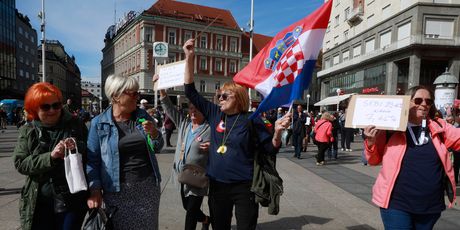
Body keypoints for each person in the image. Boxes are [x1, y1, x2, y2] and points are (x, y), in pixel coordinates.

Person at [182, 38, 291, 230]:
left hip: (244, 186)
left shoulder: (251, 119)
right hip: (217, 184)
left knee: (246, 226)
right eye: (219, 96)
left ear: (238, 98)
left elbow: (269, 149)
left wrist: (276, 133)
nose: (220, 99)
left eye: (225, 96)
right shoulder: (215, 113)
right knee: (220, 227)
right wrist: (189, 58)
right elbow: (190, 92)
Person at [363, 85, 460, 229]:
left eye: (428, 101)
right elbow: (373, 160)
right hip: (396, 204)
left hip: (430, 206)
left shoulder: (439, 127)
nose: (424, 104)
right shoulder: (390, 128)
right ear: (406, 102)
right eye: (418, 100)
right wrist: (370, 142)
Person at [86, 74, 164, 229]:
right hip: (117, 191)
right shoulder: (98, 123)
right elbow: (92, 161)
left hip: (147, 188)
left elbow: (157, 147)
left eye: (137, 93)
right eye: (133, 93)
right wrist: (95, 189)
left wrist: (155, 134)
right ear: (116, 96)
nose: (137, 97)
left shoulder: (142, 116)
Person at [13, 82, 88, 230]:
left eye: (56, 105)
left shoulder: (75, 124)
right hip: (40, 200)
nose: (52, 110)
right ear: (34, 108)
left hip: (71, 198)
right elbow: (20, 163)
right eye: (46, 107)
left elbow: (92, 152)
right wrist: (50, 157)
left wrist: (76, 146)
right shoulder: (28, 130)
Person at [153, 74, 211, 230]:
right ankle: (206, 219)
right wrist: (162, 90)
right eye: (190, 108)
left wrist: (213, 147)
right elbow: (169, 109)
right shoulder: (184, 124)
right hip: (181, 175)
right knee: (188, 208)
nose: (192, 111)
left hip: (197, 176)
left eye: (196, 109)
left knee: (191, 212)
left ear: (204, 111)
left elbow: (223, 146)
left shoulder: (209, 128)